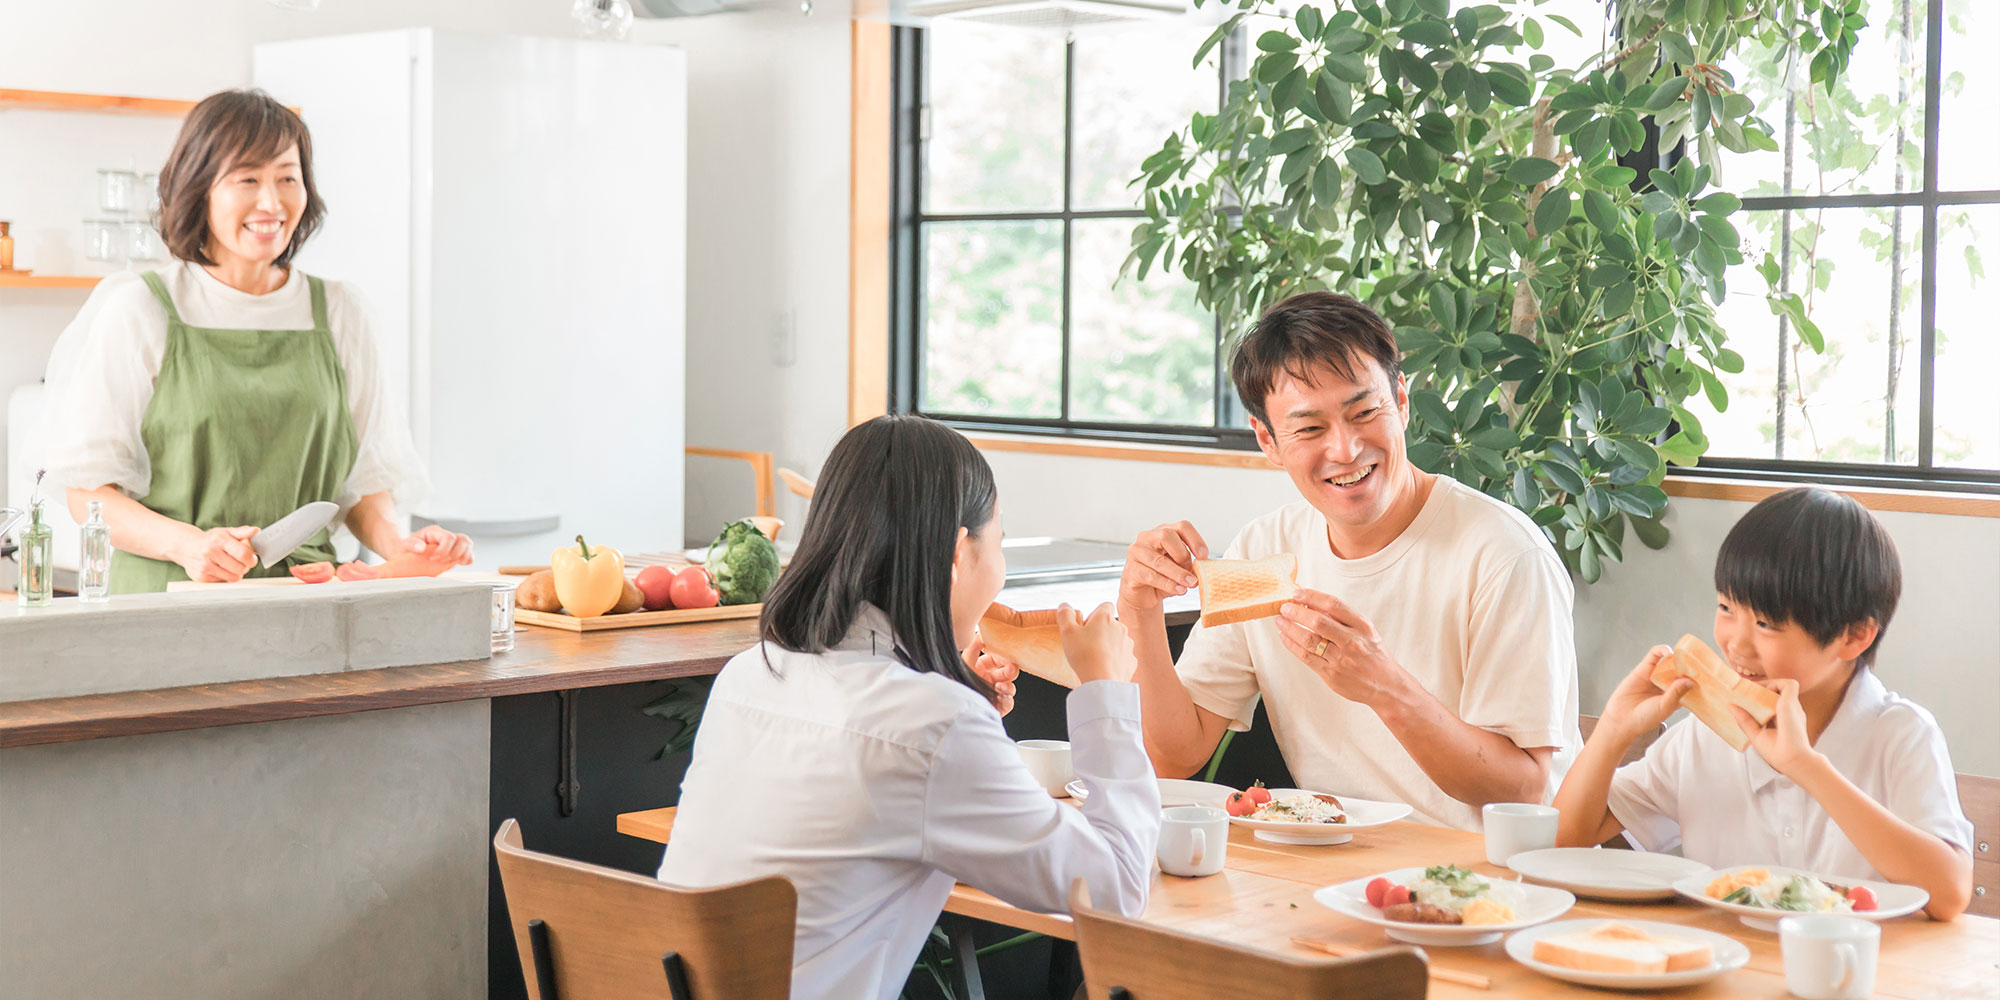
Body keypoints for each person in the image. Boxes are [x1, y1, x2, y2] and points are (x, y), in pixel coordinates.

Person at [657, 415, 1160, 1000]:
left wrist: (945, 689)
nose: (999, 567)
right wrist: (1104, 692)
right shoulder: (932, 724)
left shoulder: (751, 673)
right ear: (956, 554)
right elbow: (1118, 893)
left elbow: (882, 765)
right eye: (997, 542)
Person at [1121, 291, 1579, 830]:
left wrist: (1382, 685)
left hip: (1495, 878)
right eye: (1311, 429)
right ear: (1268, 440)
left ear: (1402, 402)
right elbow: (1177, 755)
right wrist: (1142, 614)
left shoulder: (1504, 555)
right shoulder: (1265, 550)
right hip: (1335, 869)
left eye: (1365, 412)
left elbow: (1522, 790)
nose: (1345, 449)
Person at [41, 89, 469, 592]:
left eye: (288, 178)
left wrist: (400, 547)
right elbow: (89, 493)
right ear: (200, 187)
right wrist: (189, 546)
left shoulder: (341, 312)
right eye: (247, 179)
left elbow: (365, 484)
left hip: (305, 599)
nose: (272, 202)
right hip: (165, 600)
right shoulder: (141, 308)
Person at [1554, 487, 1974, 920]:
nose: (1735, 642)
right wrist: (1614, 730)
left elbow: (1950, 893)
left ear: (1854, 636)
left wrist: (1806, 767)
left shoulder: (1901, 735)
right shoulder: (1705, 736)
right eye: (1725, 607)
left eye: (1766, 624)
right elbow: (1561, 842)